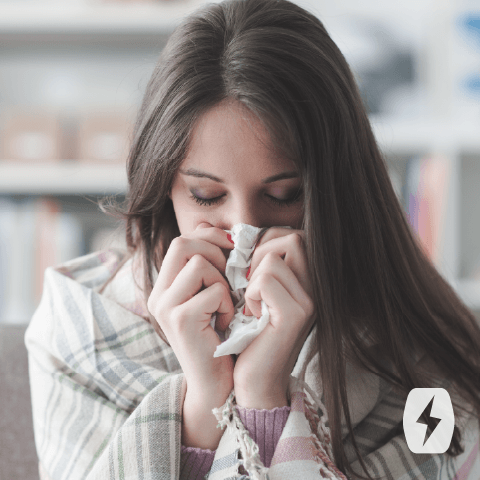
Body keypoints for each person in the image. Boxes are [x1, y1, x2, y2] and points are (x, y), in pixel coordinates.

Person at [25, 0, 480, 479]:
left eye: (284, 195)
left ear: (339, 188)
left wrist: (265, 394)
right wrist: (204, 403)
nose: (244, 228)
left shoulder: (424, 347)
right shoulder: (80, 326)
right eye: (205, 195)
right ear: (163, 186)